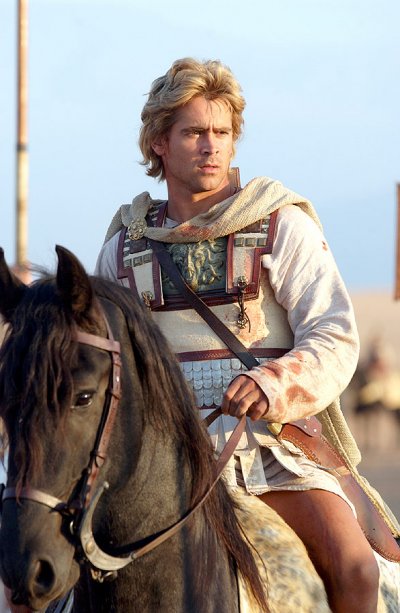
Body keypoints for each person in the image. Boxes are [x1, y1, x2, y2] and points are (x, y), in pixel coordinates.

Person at [95, 57, 400, 612]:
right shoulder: (124, 248)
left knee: (355, 568)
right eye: (193, 132)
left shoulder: (280, 224)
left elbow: (334, 334)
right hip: (160, 460)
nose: (210, 146)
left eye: (222, 132)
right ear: (159, 142)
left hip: (274, 449)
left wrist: (271, 383)